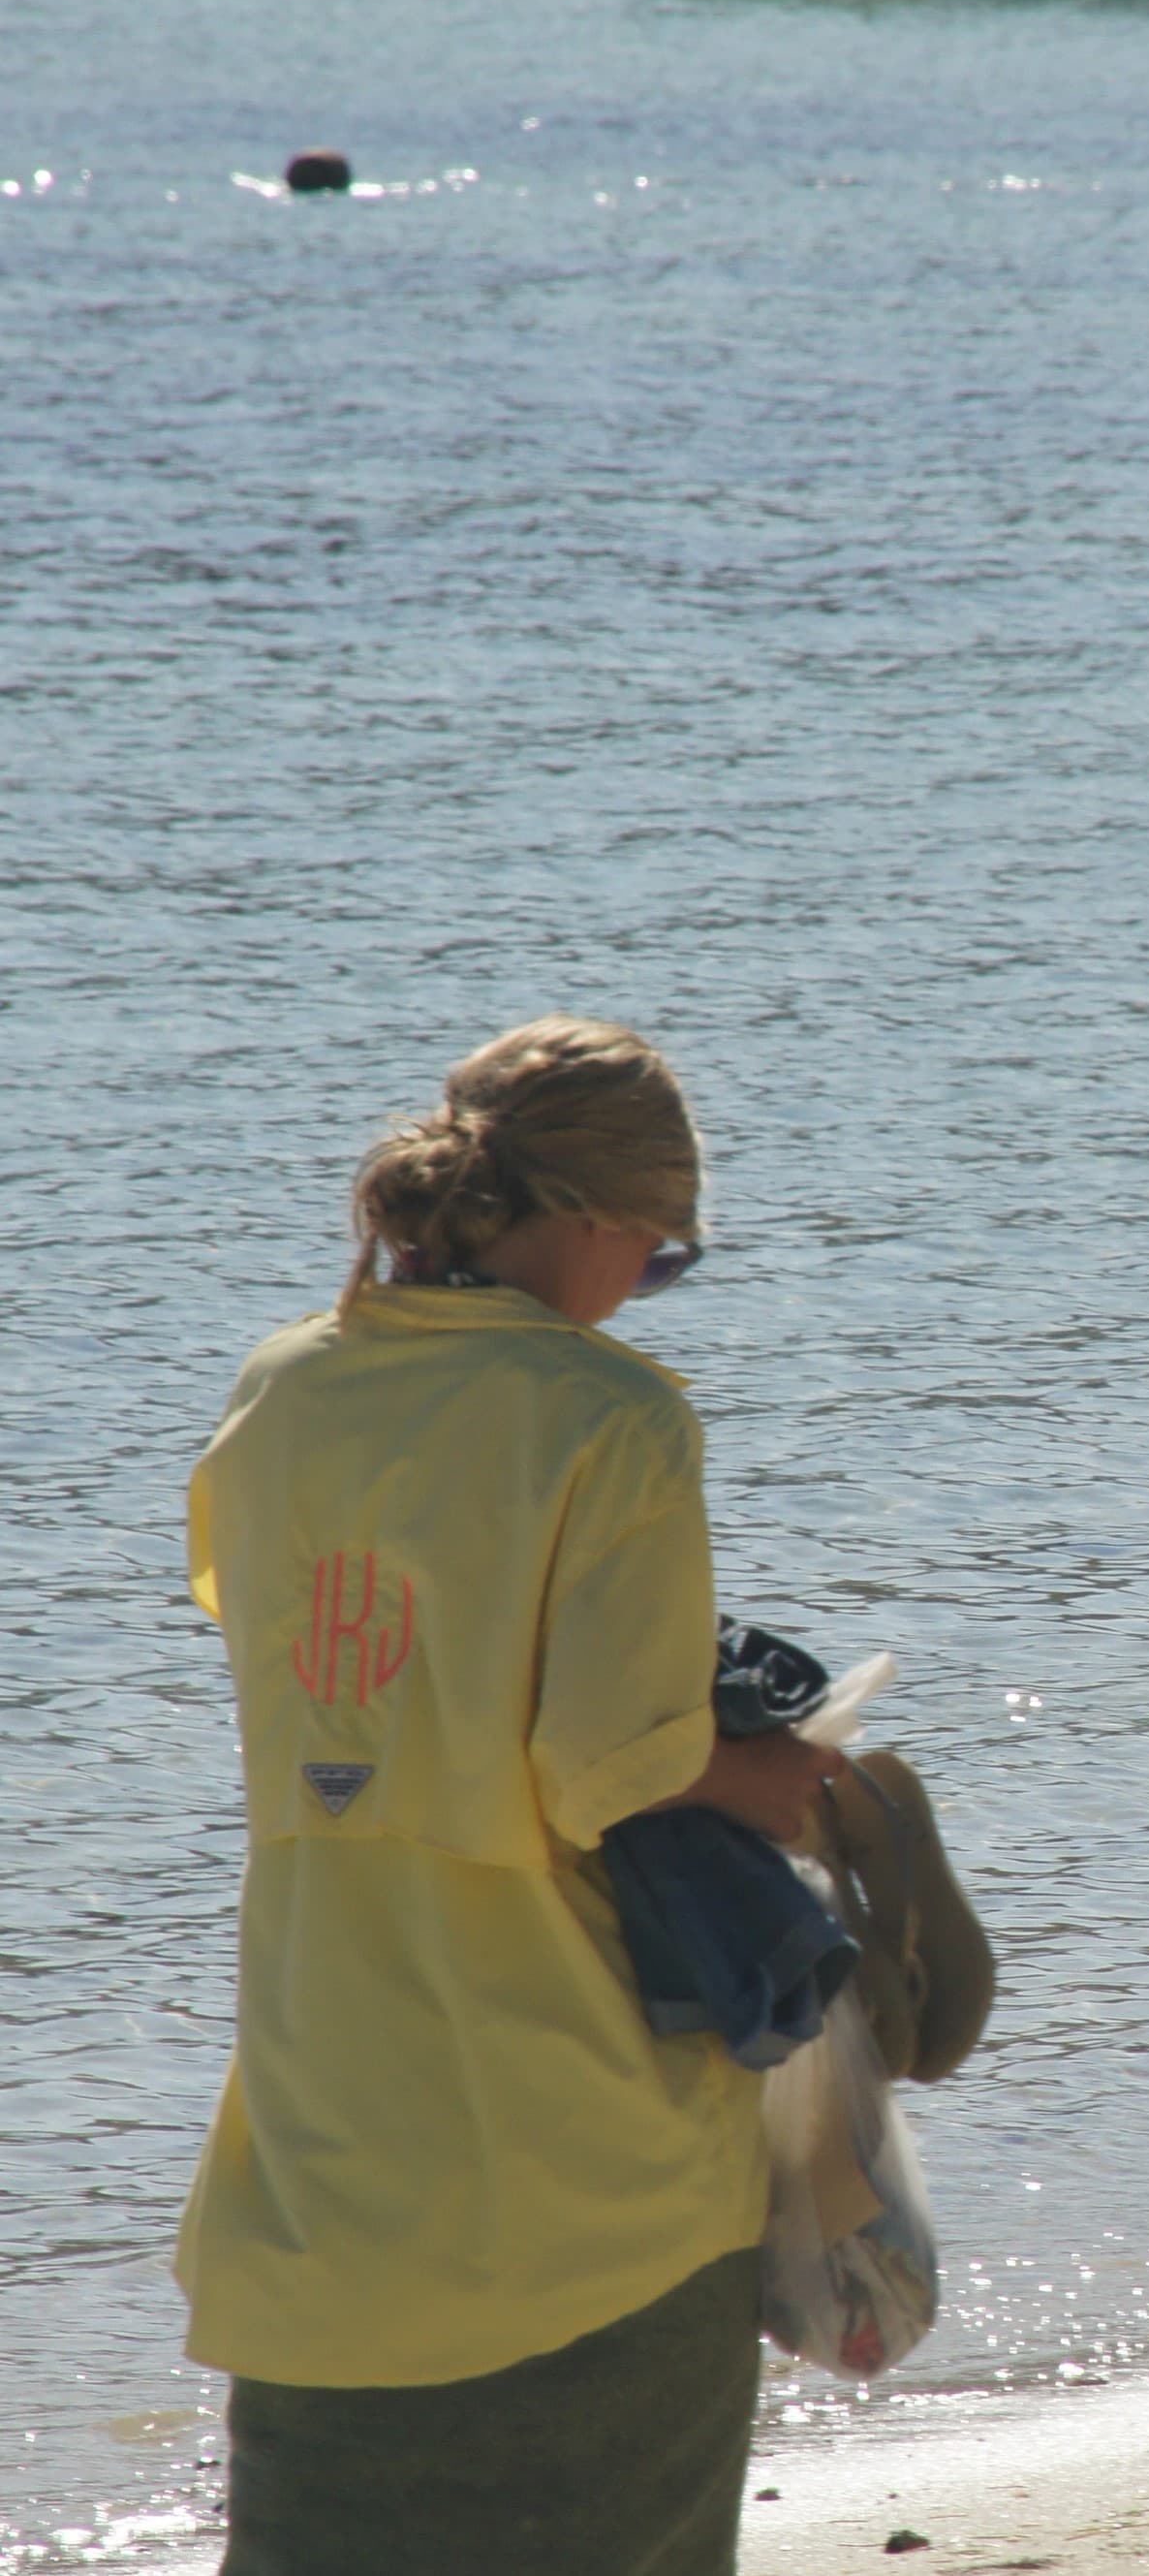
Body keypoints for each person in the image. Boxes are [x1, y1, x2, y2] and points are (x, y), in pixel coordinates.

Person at [178, 1016, 827, 2576]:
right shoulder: (611, 1414)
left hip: (321, 2160)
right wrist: (787, 1779)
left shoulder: (282, 1385)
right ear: (599, 1219)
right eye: (662, 1255)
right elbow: (611, 1766)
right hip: (576, 2169)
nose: (645, 1283)